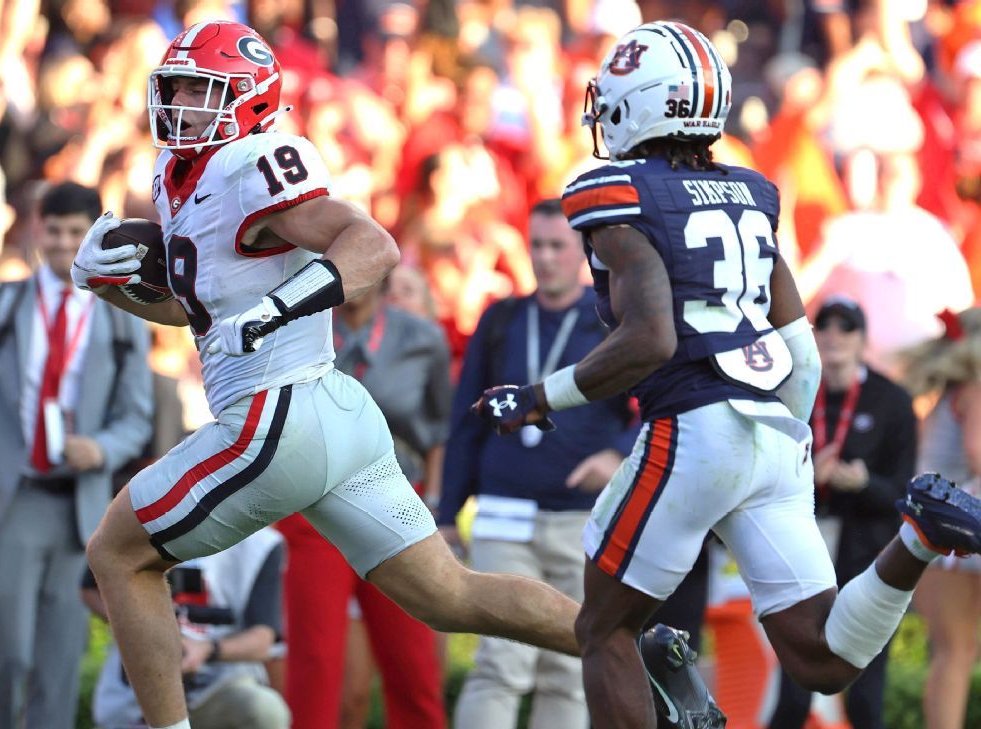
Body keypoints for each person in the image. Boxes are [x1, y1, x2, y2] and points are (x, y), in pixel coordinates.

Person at [75, 20, 588, 729]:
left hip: (274, 417)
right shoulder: (175, 175)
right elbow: (198, 314)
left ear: (249, 102)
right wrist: (112, 287)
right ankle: (628, 643)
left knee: (117, 551)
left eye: (202, 89)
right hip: (331, 414)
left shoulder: (251, 161)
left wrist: (282, 307)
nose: (184, 102)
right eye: (180, 86)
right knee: (448, 595)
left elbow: (371, 245)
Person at [470, 20, 981, 729]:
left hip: (693, 427)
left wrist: (536, 396)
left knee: (604, 629)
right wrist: (787, 446)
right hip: (774, 428)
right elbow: (799, 343)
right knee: (823, 656)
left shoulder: (613, 193)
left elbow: (650, 337)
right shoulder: (750, 191)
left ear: (639, 104)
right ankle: (921, 536)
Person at [0, 181, 153, 729]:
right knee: (8, 652)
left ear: (94, 236)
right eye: (55, 230)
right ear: (36, 230)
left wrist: (102, 448)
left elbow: (137, 417)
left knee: (60, 661)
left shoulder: (119, 315)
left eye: (75, 232)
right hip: (11, 494)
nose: (64, 244)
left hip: (78, 506)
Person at [443, 197, 638, 729]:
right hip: (504, 514)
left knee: (570, 668)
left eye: (558, 245)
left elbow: (653, 412)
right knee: (499, 664)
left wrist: (617, 452)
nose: (546, 257)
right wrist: (445, 513)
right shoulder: (503, 316)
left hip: (581, 520)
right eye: (537, 245)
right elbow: (465, 421)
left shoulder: (611, 323)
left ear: (583, 251)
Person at [276, 275, 451, 729]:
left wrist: (432, 501)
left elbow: (438, 431)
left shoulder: (422, 337)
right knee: (314, 662)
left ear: (382, 278)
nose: (349, 280)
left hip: (394, 499)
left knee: (412, 660)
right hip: (313, 501)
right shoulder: (296, 329)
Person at [768, 297, 918, 729]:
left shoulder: (891, 400)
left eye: (845, 327)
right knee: (793, 696)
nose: (833, 335)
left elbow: (905, 491)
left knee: (866, 700)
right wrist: (806, 476)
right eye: (825, 326)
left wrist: (862, 482)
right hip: (804, 551)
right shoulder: (793, 390)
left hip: (865, 554)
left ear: (863, 340)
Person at [84, 528, 291, 729]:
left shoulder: (261, 544)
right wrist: (141, 624)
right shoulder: (141, 519)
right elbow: (89, 588)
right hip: (136, 688)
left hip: (217, 687)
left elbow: (263, 640)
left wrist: (206, 650)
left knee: (264, 711)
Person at [899, 306, 981, 729]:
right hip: (959, 533)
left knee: (951, 651)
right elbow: (978, 453)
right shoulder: (976, 387)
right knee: (957, 652)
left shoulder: (952, 390)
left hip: (933, 528)